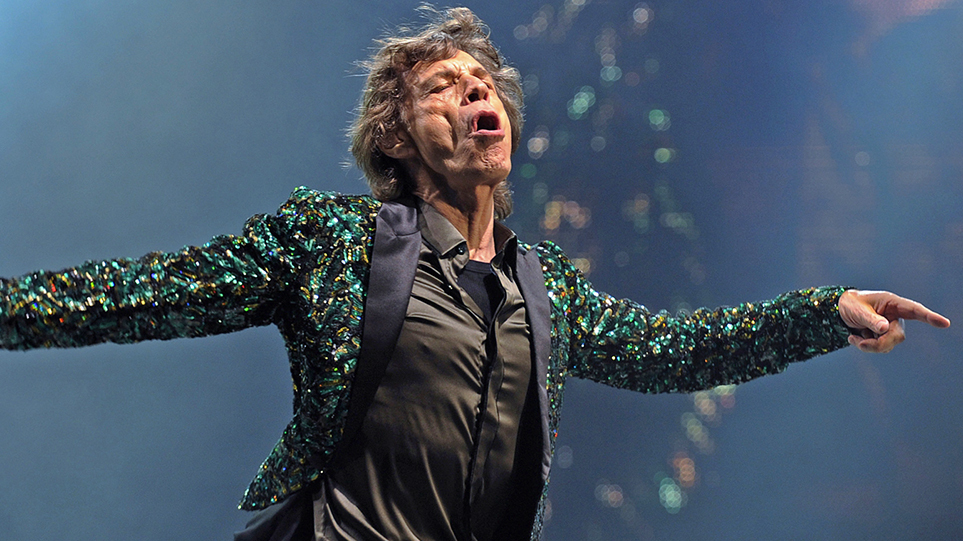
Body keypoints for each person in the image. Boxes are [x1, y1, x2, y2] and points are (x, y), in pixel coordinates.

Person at [0, 7, 950, 541]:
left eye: (484, 84)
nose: (474, 93)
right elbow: (151, 292)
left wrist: (823, 310)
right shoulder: (331, 242)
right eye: (443, 87)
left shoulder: (545, 285)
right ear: (395, 137)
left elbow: (671, 350)